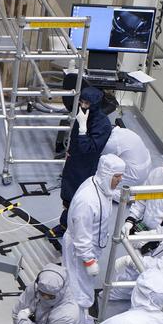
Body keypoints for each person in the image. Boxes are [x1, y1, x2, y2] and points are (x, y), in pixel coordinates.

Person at [63, 153, 125, 310]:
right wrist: (88, 260)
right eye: (117, 176)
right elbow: (81, 236)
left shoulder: (101, 185)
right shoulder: (87, 201)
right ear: (106, 174)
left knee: (83, 282)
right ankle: (79, 322)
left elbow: (109, 195)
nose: (120, 180)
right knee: (78, 287)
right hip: (80, 250)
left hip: (91, 247)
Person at [57, 86, 112, 232]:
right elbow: (75, 140)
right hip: (73, 161)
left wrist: (82, 128)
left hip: (87, 167)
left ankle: (75, 229)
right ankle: (64, 225)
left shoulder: (103, 125)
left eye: (87, 103)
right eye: (81, 102)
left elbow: (88, 149)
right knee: (68, 196)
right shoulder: (82, 114)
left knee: (79, 198)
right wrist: (69, 151)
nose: (82, 106)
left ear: (95, 104)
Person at [101, 123, 151, 200]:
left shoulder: (112, 142)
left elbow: (101, 158)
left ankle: (123, 195)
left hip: (134, 177)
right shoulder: (123, 131)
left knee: (101, 182)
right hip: (146, 170)